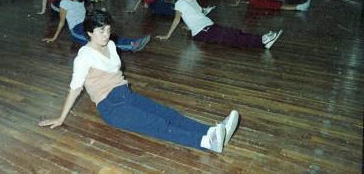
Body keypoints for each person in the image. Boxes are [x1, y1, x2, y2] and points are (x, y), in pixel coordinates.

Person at [39, 9, 240, 153]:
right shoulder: (83, 57)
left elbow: (115, 71)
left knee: (170, 114)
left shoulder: (109, 44)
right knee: (158, 124)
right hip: (111, 106)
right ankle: (206, 142)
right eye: (101, 31)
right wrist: (60, 118)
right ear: (89, 33)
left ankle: (212, 130)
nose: (106, 34)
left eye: (108, 29)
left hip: (126, 95)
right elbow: (74, 89)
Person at [156, 0, 283, 50]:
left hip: (209, 25)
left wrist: (191, 24)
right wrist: (167, 36)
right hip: (202, 32)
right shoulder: (180, 3)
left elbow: (199, 13)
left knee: (234, 32)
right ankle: (262, 41)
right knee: (231, 37)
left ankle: (263, 39)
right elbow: (177, 19)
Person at [43, 0, 150, 52]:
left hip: (86, 24)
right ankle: (131, 46)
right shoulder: (64, 2)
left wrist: (98, 12)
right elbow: (62, 22)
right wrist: (54, 37)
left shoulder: (81, 0)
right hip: (76, 30)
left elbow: (84, 15)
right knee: (100, 40)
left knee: (106, 34)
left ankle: (132, 41)